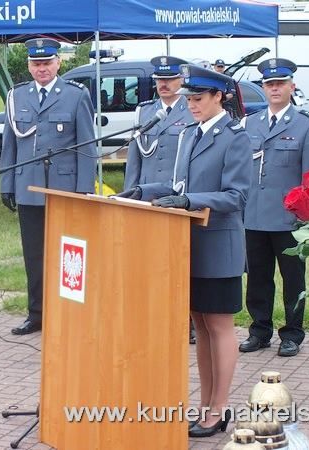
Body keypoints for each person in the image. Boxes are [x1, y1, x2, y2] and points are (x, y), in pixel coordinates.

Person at [118, 64, 251, 438]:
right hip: (187, 246)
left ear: (217, 97)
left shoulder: (234, 137)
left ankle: (218, 409)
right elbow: (177, 183)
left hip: (219, 245)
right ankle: (207, 404)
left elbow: (236, 195)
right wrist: (144, 190)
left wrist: (188, 199)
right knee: (201, 326)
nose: (190, 105)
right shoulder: (190, 134)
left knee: (219, 326)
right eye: (188, 99)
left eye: (196, 99)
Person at [0, 38, 97, 335]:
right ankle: (37, 313)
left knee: (69, 254)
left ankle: (68, 313)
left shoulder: (75, 95)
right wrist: (8, 183)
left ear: (58, 63)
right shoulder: (17, 95)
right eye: (36, 64)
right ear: (29, 66)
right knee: (34, 254)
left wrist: (83, 189)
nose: (41, 68)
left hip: (65, 188)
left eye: (47, 63)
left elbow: (87, 146)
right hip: (28, 185)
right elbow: (10, 143)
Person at [239, 58, 309, 358]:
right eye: (269, 84)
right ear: (263, 88)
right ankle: (259, 330)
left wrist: (307, 217)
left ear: (292, 86)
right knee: (258, 278)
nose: (275, 88)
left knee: (293, 279)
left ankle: (292, 334)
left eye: (280, 83)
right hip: (254, 215)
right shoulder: (250, 123)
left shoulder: (307, 124)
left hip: (290, 219)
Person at [124, 55, 197, 344]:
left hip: (176, 197)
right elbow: (135, 157)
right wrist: (130, 193)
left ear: (181, 81)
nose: (164, 85)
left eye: (169, 80)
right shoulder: (145, 112)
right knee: (148, 261)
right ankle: (152, 315)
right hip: (145, 196)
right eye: (159, 81)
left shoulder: (191, 110)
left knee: (179, 263)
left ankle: (186, 320)